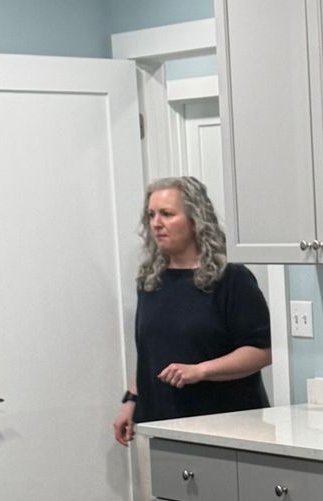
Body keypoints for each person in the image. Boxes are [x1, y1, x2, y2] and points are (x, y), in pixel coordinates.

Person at [112, 177, 273, 445]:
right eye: (151, 215)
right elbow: (151, 354)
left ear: (195, 219)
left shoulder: (231, 279)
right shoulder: (151, 280)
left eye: (167, 214)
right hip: (159, 425)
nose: (156, 223)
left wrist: (201, 370)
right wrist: (132, 401)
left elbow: (263, 351)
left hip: (224, 428)